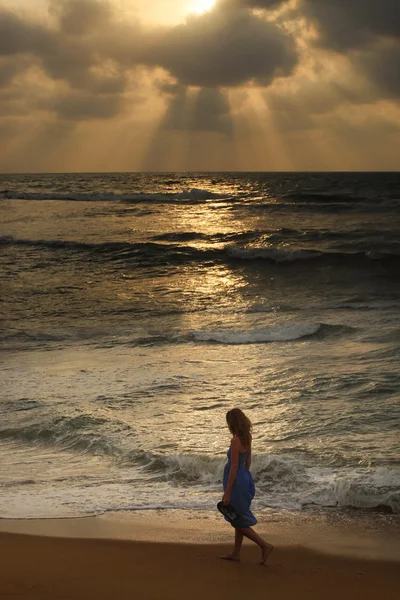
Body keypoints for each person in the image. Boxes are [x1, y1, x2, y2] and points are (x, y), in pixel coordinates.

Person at [220, 408, 273, 565]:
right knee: (239, 516)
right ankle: (236, 553)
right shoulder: (247, 438)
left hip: (236, 480)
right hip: (245, 478)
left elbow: (234, 466)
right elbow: (247, 462)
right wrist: (245, 479)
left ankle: (264, 545)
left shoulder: (235, 441)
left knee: (235, 519)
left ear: (232, 423)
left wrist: (228, 492)